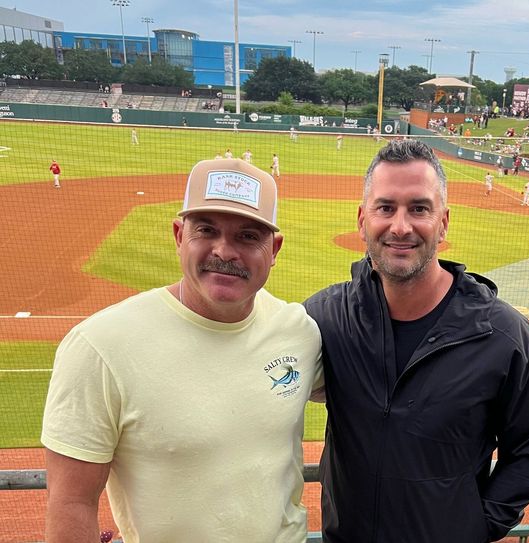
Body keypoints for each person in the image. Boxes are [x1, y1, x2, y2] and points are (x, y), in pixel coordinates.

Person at [41, 158, 323, 543]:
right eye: (206, 230)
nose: (224, 251)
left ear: (273, 249)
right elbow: (71, 501)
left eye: (247, 236)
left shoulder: (298, 332)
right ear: (178, 235)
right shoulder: (99, 346)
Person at [304, 139, 529, 543]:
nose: (400, 226)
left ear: (443, 222)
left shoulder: (506, 337)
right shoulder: (325, 317)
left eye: (419, 208)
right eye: (385, 207)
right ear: (362, 219)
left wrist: (476, 525)